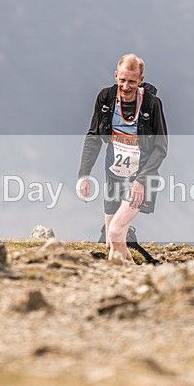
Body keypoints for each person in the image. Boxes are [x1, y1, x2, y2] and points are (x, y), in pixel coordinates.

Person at [77, 54, 168, 261]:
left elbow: (161, 148)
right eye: (122, 80)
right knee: (111, 241)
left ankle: (128, 276)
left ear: (141, 79)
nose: (126, 86)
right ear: (116, 75)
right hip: (114, 175)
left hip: (142, 179)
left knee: (116, 232)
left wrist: (141, 181)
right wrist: (84, 175)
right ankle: (132, 273)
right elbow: (93, 137)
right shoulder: (105, 98)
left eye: (132, 82)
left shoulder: (152, 104)